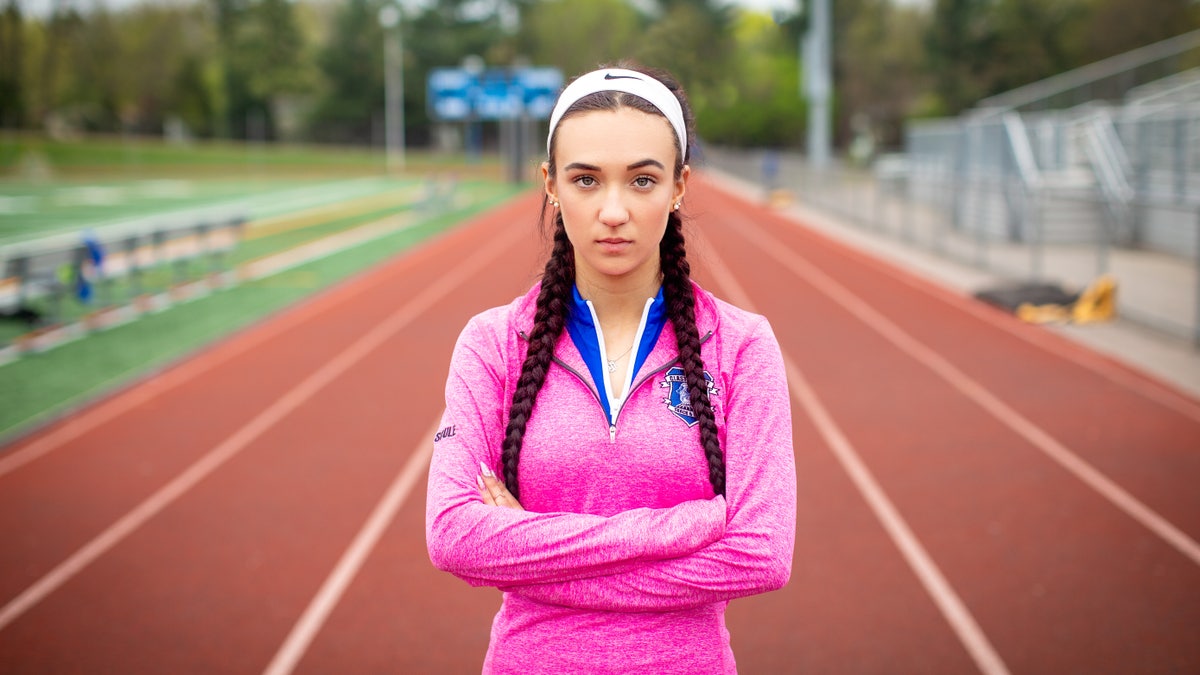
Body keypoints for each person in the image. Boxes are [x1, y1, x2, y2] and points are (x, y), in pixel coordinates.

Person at [425, 62, 796, 674]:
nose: (614, 210)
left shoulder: (741, 346)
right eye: (587, 179)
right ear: (550, 184)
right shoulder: (494, 344)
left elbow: (761, 555)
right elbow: (454, 536)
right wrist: (685, 527)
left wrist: (534, 558)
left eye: (643, 181)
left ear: (679, 186)